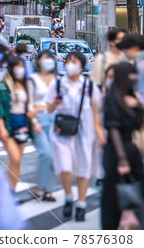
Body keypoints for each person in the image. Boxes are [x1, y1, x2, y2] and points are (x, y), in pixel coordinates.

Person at [47, 52, 105, 221]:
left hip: (85, 133)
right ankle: (68, 196)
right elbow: (48, 108)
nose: (70, 64)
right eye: (68, 61)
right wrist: (54, 104)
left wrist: (99, 132)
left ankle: (81, 204)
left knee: (83, 168)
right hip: (62, 132)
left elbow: (96, 110)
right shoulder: (58, 84)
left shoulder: (89, 86)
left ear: (81, 65)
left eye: (74, 61)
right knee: (65, 167)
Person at [102, 62, 144, 230]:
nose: (133, 78)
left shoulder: (132, 97)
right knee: (112, 197)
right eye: (130, 74)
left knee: (136, 195)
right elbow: (113, 129)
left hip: (132, 150)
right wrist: (121, 159)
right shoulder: (112, 98)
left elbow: (138, 123)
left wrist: (138, 105)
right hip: (116, 152)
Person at [0, 56, 33, 189]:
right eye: (17, 66)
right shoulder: (3, 84)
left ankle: (11, 191)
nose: (20, 69)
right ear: (11, 68)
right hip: (8, 124)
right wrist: (1, 127)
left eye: (22, 66)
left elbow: (29, 105)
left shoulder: (25, 84)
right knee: (15, 158)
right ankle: (5, 189)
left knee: (16, 162)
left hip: (22, 123)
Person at [27, 51, 56, 201]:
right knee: (46, 153)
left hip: (54, 118)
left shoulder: (56, 79)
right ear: (38, 61)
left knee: (53, 155)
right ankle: (40, 186)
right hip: (38, 118)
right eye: (45, 59)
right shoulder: (32, 79)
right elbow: (29, 103)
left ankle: (47, 189)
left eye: (50, 59)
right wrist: (34, 122)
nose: (48, 61)